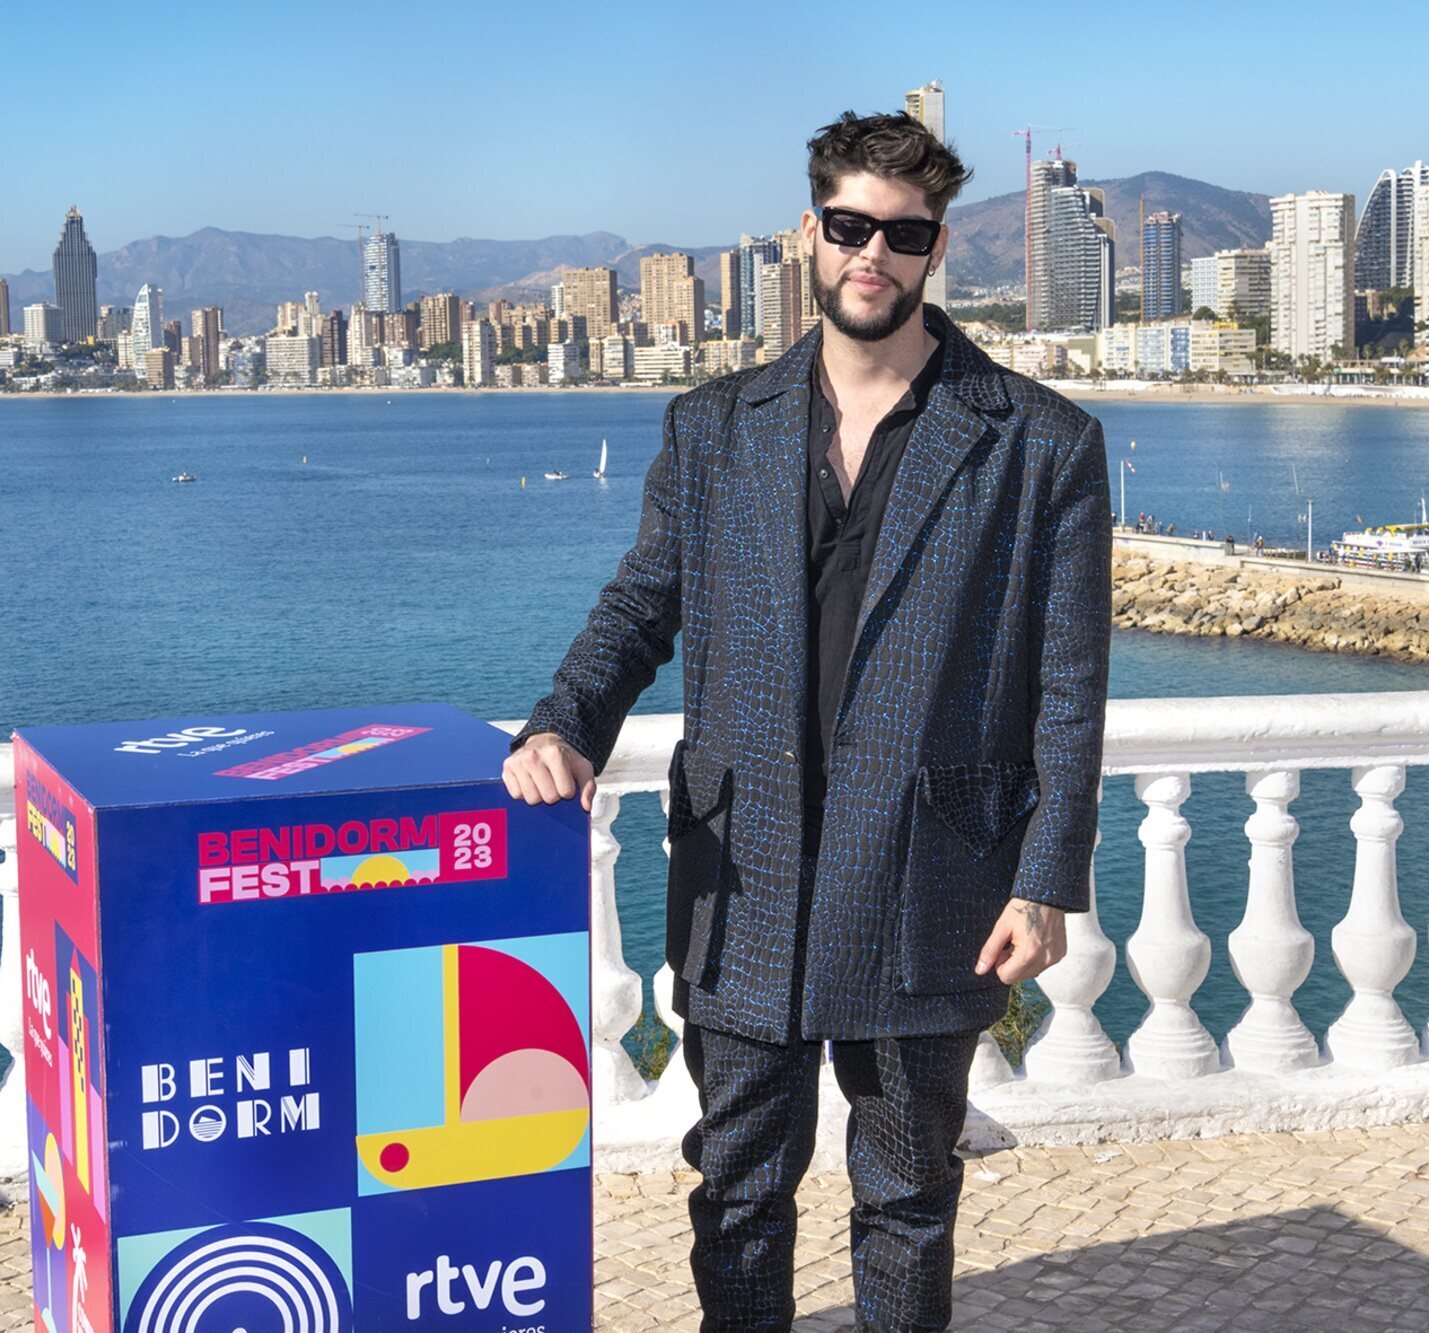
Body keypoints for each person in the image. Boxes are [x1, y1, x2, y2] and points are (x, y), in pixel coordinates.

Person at [503, 109, 1111, 1331]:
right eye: (848, 228)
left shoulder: (1042, 444)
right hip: (747, 873)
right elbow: (643, 602)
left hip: (930, 875)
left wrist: (1046, 880)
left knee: (904, 1195)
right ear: (808, 234)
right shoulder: (715, 424)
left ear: (935, 247)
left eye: (901, 234)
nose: (870, 255)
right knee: (734, 1191)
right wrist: (562, 721)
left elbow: (1066, 683)